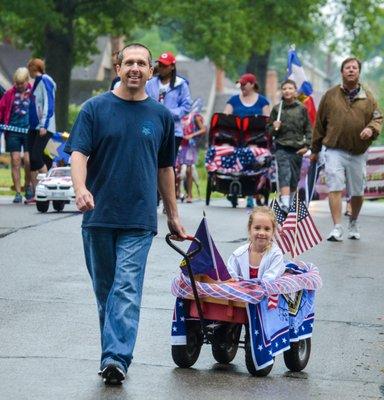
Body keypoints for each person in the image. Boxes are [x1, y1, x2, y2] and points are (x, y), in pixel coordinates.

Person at [64, 43, 186, 385]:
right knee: (106, 291)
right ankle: (112, 356)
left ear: (151, 72)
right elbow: (78, 154)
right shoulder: (94, 109)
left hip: (139, 218)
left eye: (142, 63)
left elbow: (166, 169)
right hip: (98, 217)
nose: (135, 68)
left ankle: (116, 359)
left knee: (127, 288)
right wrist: (81, 189)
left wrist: (173, 215)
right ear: (118, 68)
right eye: (129, 62)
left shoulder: (161, 116)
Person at [311, 57, 383, 242]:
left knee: (357, 192)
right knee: (334, 186)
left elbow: (378, 118)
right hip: (334, 149)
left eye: (355, 68)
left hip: (358, 152)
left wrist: (371, 129)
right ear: (342, 72)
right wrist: (315, 150)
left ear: (359, 72)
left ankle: (353, 221)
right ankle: (337, 227)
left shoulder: (368, 96)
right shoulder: (330, 95)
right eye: (347, 68)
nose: (351, 70)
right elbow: (319, 124)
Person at [223, 73, 270, 208]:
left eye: (244, 84)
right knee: (228, 150)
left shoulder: (262, 102)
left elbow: (267, 121)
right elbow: (225, 117)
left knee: (255, 153)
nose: (242, 86)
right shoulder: (233, 100)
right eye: (241, 84)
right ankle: (231, 185)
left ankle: (252, 193)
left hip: (256, 139)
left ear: (252, 84)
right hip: (235, 139)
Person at [269, 79, 312, 213]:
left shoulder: (302, 109)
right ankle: (285, 204)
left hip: (297, 149)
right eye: (284, 88)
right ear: (282, 91)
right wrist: (274, 127)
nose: (287, 91)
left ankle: (291, 201)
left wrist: (307, 146)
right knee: (284, 174)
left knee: (294, 178)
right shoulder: (277, 109)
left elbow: (308, 129)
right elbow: (269, 130)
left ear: (295, 91)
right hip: (281, 147)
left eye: (290, 88)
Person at [146, 51, 192, 160]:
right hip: (152, 129)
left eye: (165, 66)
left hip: (173, 131)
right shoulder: (150, 83)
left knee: (168, 164)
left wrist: (168, 113)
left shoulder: (181, 84)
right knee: (152, 161)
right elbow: (144, 100)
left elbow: (186, 106)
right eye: (160, 65)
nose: (161, 68)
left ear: (172, 67)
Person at [26, 58, 57, 204]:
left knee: (37, 157)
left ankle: (47, 189)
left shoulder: (45, 80)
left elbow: (48, 103)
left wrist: (44, 124)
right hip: (33, 126)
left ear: (33, 68)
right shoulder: (36, 83)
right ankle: (37, 193)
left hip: (43, 126)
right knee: (33, 160)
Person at [0, 67, 32, 203]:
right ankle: (18, 192)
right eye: (17, 83)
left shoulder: (34, 93)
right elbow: (1, 109)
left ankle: (28, 186)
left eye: (21, 83)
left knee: (29, 160)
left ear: (27, 81)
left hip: (29, 132)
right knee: (15, 160)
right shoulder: (9, 94)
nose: (18, 86)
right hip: (12, 131)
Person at [227, 206, 285, 281]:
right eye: (257, 228)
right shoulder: (238, 254)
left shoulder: (276, 254)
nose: (261, 233)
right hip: (241, 292)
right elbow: (230, 277)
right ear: (249, 229)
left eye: (267, 229)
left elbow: (269, 280)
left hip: (268, 292)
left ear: (273, 232)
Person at [177, 98, 206, 202]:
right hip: (179, 144)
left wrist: (192, 135)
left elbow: (203, 129)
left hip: (190, 146)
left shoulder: (195, 116)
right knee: (177, 169)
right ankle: (177, 192)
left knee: (189, 170)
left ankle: (190, 194)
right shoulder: (179, 115)